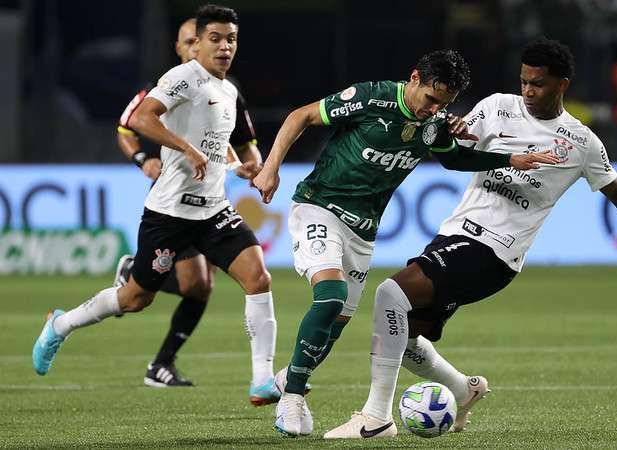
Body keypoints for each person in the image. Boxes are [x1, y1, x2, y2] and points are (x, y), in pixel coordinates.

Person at [323, 37, 617, 439]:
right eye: (524, 81)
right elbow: (456, 147)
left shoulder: (581, 142)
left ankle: (376, 418)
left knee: (390, 295)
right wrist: (452, 131)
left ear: (562, 84)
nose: (527, 90)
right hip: (454, 234)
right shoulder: (496, 107)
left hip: (494, 253)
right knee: (402, 333)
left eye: (538, 84)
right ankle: (462, 388)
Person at [251, 49, 555, 437]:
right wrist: (271, 166)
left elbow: (453, 160)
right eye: (430, 99)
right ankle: (293, 398)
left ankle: (287, 378)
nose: (434, 110)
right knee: (329, 295)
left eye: (443, 104)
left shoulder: (434, 123)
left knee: (336, 323)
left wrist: (508, 159)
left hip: (363, 231)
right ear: (414, 78)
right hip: (319, 207)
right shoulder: (371, 97)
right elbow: (302, 116)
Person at [32, 4, 284, 405]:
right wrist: (184, 150)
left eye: (230, 39)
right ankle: (60, 326)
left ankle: (261, 381)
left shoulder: (228, 90)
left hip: (213, 210)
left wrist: (242, 167)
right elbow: (141, 120)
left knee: (259, 279)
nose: (223, 47)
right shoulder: (183, 77)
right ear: (197, 43)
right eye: (215, 39)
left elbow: (218, 148)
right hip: (170, 214)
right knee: (135, 298)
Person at [115, 17, 268, 395]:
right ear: (186, 45)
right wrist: (142, 160)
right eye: (194, 40)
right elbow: (126, 128)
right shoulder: (164, 85)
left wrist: (253, 167)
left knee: (201, 286)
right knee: (191, 283)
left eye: (226, 39)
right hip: (170, 201)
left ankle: (162, 362)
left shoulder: (225, 89)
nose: (210, 47)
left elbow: (244, 139)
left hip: (208, 199)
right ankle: (138, 275)